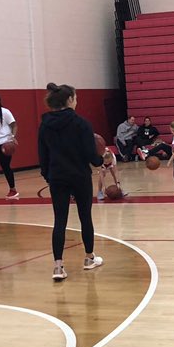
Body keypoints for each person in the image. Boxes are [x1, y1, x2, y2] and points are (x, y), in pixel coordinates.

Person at [38, 82, 105, 281]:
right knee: (85, 217)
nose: (76, 101)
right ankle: (89, 258)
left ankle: (58, 267)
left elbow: (43, 155)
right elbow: (90, 154)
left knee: (60, 220)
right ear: (69, 100)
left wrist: (47, 175)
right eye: (75, 98)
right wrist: (101, 159)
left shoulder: (45, 125)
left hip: (57, 176)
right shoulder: (81, 123)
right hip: (79, 176)